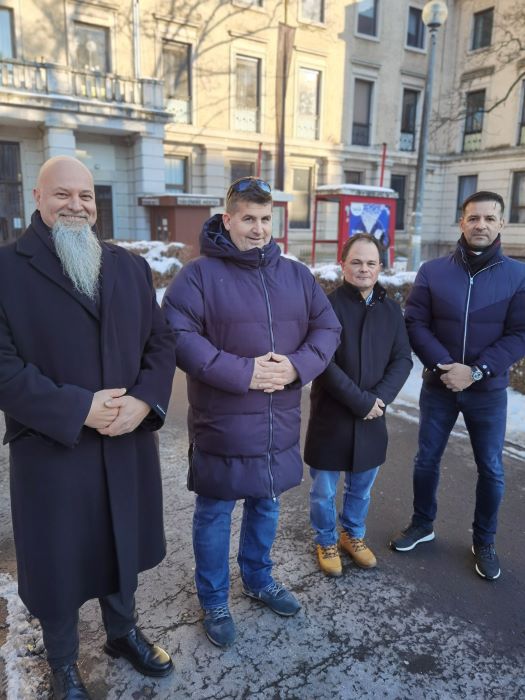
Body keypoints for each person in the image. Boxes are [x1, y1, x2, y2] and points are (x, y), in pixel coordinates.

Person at [0, 156, 176, 699]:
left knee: (121, 542)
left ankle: (122, 634)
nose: (76, 205)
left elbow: (161, 343)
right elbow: (3, 368)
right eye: (63, 195)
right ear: (37, 198)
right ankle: (63, 664)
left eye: (86, 196)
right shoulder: (6, 269)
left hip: (125, 441)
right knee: (58, 563)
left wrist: (144, 401)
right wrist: (78, 408)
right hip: (53, 447)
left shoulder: (128, 267)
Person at [163, 176, 340, 648]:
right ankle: (214, 600)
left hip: (279, 421)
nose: (258, 229)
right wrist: (245, 372)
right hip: (222, 421)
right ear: (228, 220)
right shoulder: (197, 277)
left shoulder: (296, 276)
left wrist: (297, 366)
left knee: (267, 503)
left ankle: (258, 579)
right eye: (248, 219)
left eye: (265, 219)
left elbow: (328, 328)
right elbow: (177, 337)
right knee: (215, 512)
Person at [390, 191, 525, 581]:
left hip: (487, 391)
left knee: (491, 469)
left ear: (501, 224)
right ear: (462, 222)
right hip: (440, 386)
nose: (481, 224)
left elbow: (519, 334)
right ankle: (422, 523)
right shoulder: (433, 271)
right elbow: (415, 323)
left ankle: (484, 541)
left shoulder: (518, 275)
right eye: (473, 218)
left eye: (489, 218)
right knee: (426, 460)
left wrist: (476, 371)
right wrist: (444, 366)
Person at [304, 234, 412, 577]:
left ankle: (352, 534)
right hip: (332, 415)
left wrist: (379, 399)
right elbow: (323, 362)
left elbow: (403, 360)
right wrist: (361, 401)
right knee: (323, 490)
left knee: (361, 488)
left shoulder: (391, 310)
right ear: (343, 265)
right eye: (356, 262)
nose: (364, 269)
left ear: (380, 267)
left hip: (373, 415)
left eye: (371, 263)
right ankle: (325, 539)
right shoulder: (326, 307)